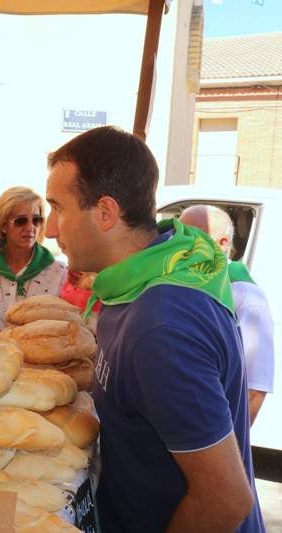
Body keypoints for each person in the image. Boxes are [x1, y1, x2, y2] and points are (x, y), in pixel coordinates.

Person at [44, 126, 263, 532]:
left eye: (58, 208)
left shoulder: (163, 324)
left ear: (105, 213)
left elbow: (226, 498)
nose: (50, 230)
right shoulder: (131, 284)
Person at [180, 204, 275, 425]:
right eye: (179, 234)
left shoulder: (246, 296)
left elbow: (253, 391)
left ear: (222, 243)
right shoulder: (182, 281)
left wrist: (229, 451)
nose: (180, 244)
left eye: (191, 236)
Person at [0, 186, 66, 327]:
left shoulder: (61, 274)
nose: (30, 227)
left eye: (36, 220)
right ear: (3, 226)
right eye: (21, 221)